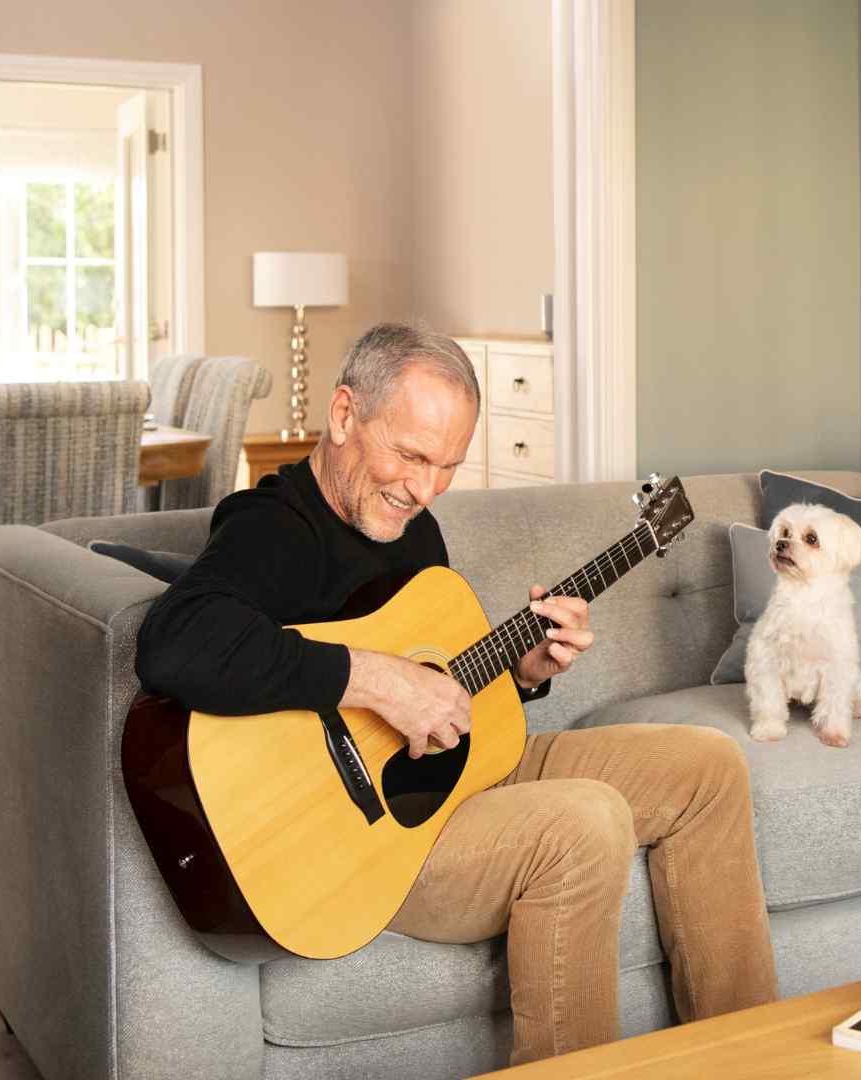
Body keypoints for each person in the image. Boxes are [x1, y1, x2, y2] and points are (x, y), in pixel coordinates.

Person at [135, 323, 778, 1064]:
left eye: (447, 467)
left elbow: (443, 705)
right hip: (365, 845)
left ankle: (750, 1059)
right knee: (585, 819)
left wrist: (524, 671)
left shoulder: (415, 534)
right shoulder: (275, 528)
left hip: (453, 790)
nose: (424, 489)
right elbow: (175, 641)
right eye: (410, 455)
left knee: (707, 766)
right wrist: (377, 680)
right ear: (344, 415)